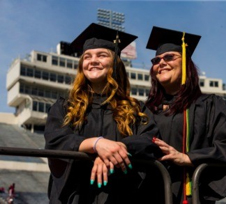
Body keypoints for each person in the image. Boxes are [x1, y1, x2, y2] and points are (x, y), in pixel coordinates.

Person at [44, 23, 162, 203]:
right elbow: (55, 140)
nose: (93, 61)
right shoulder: (65, 106)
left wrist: (113, 151)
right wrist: (95, 144)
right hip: (76, 195)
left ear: (115, 63)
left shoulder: (135, 109)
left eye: (102, 55)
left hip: (121, 195)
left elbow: (150, 140)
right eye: (87, 57)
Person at [145, 26, 226, 203]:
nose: (161, 62)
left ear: (186, 63)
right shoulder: (146, 110)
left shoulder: (210, 106)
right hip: (149, 195)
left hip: (191, 197)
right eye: (156, 60)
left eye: (169, 57)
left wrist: (189, 158)